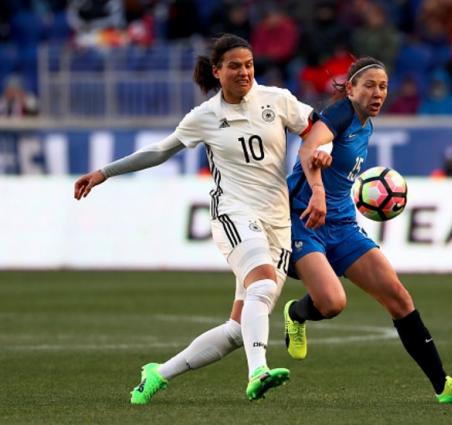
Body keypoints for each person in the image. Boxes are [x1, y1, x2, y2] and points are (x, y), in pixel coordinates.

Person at [73, 34, 325, 403]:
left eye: (249, 64)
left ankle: (158, 373)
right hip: (234, 214)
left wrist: (320, 151)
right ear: (217, 71)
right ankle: (258, 372)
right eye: (235, 66)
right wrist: (104, 173)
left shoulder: (277, 100)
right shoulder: (205, 116)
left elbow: (318, 128)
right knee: (264, 284)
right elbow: (160, 151)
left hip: (278, 221)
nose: (244, 72)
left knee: (239, 329)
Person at [283, 57, 452, 405]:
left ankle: (444, 385)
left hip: (344, 224)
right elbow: (308, 149)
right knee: (331, 304)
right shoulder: (340, 114)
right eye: (370, 86)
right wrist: (317, 191)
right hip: (305, 219)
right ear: (351, 89)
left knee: (399, 298)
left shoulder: (367, 125)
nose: (378, 93)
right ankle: (296, 314)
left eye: (384, 86)